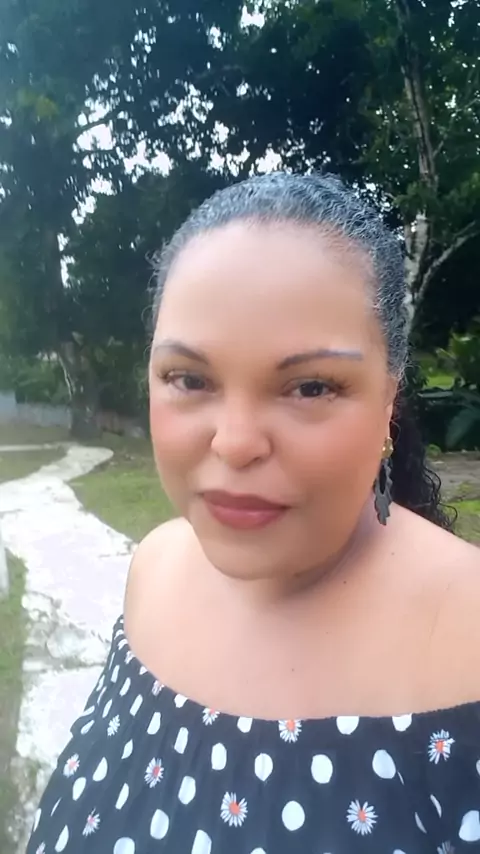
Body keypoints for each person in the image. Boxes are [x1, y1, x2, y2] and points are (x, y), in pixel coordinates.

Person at [27, 172, 480, 854]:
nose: (235, 443)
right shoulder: (152, 569)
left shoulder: (467, 640)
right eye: (189, 379)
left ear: (388, 399)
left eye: (310, 387)